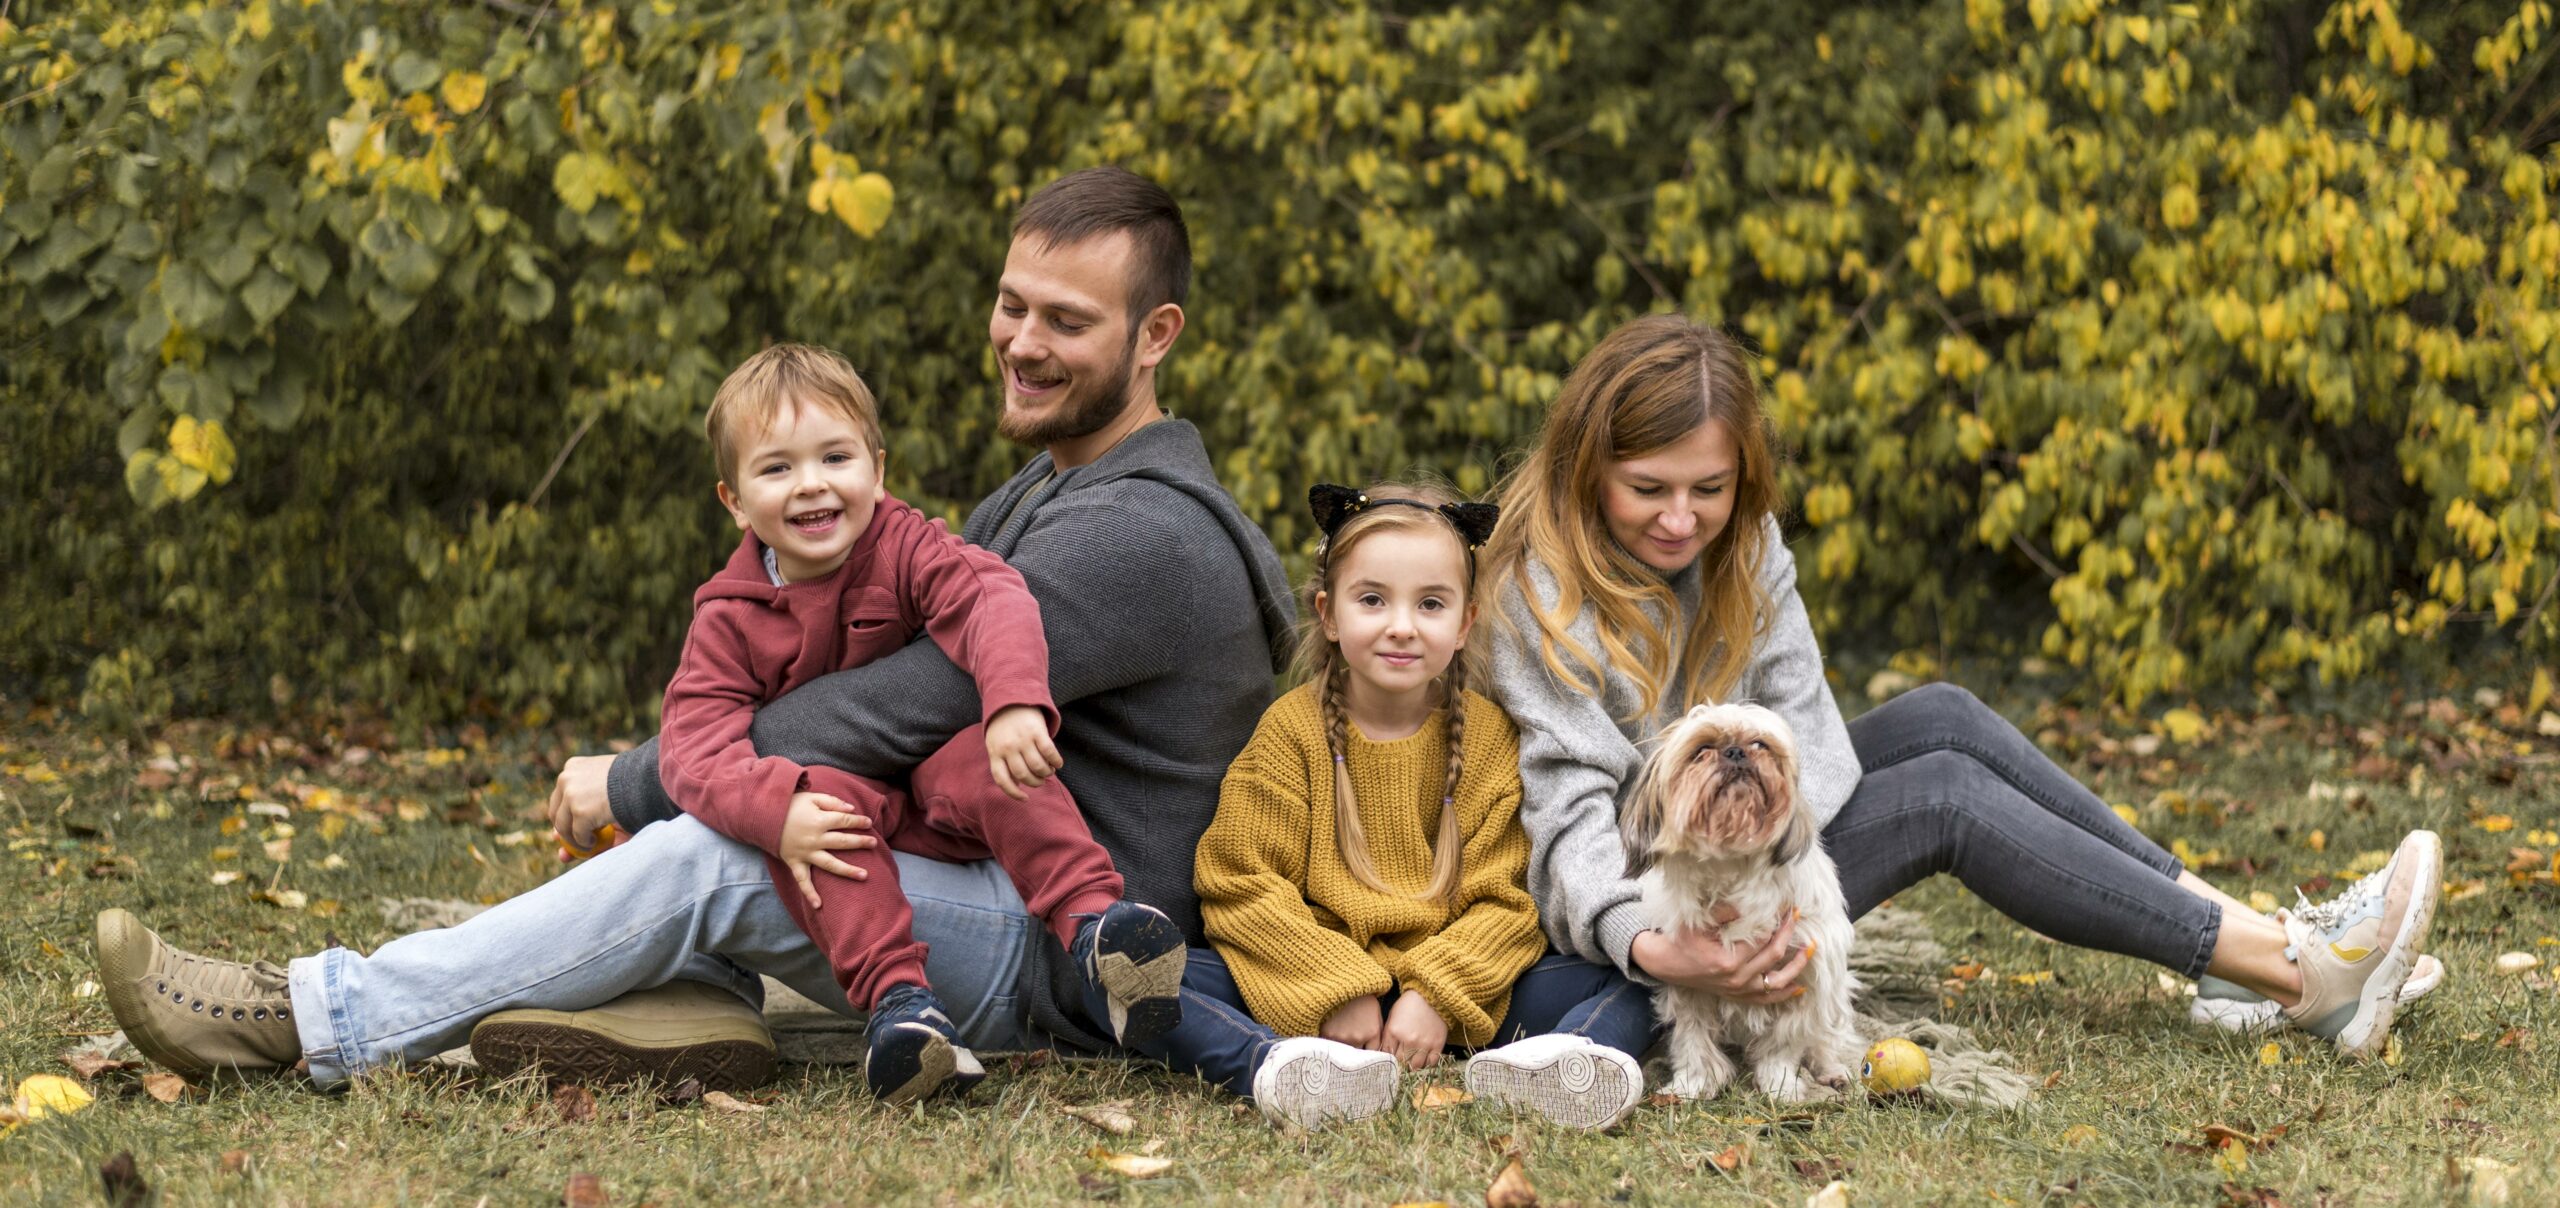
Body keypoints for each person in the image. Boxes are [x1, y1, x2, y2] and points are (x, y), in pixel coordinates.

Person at [92, 167, 1298, 1088]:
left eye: (1067, 322)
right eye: (1009, 304)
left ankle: (313, 1015)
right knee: (746, 831)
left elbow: (886, 707)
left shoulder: (1137, 534)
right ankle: (684, 998)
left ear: (1156, 336)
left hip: (1067, 946)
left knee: (709, 852)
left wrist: (639, 777)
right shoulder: (1045, 489)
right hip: (969, 872)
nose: (1022, 344)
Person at [1480, 314, 2443, 1062]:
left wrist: (1761, 841)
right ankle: (2295, 976)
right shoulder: (1538, 591)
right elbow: (1566, 818)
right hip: (1645, 889)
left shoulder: (1748, 546)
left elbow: (1811, 730)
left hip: (1745, 846)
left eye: (1711, 487)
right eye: (1649, 488)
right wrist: (1660, 945)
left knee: (1942, 715)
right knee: (1943, 797)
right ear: (1585, 466)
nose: (1683, 518)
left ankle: (2247, 944)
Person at [639, 341, 1184, 1105]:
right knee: (824, 813)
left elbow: (987, 596)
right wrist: (774, 810)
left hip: (940, 792)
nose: (812, 486)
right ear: (733, 499)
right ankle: (903, 1007)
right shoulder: (728, 617)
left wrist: (1014, 698)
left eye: (835, 457)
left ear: (877, 467)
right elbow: (693, 747)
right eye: (777, 469)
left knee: (985, 758)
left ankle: (1096, 924)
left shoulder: (904, 544)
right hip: (847, 809)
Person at [1125, 482, 1655, 1132]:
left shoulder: (1489, 739)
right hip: (1314, 990)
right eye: (1372, 599)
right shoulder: (1291, 732)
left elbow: (1507, 902)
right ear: (1328, 612)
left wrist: (1433, 996)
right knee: (1139, 972)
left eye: (1430, 603)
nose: (1401, 625)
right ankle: (1282, 1066)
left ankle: (1565, 1062)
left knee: (1632, 973)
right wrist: (1339, 990)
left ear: (1464, 623)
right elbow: (1241, 884)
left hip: (1456, 992)